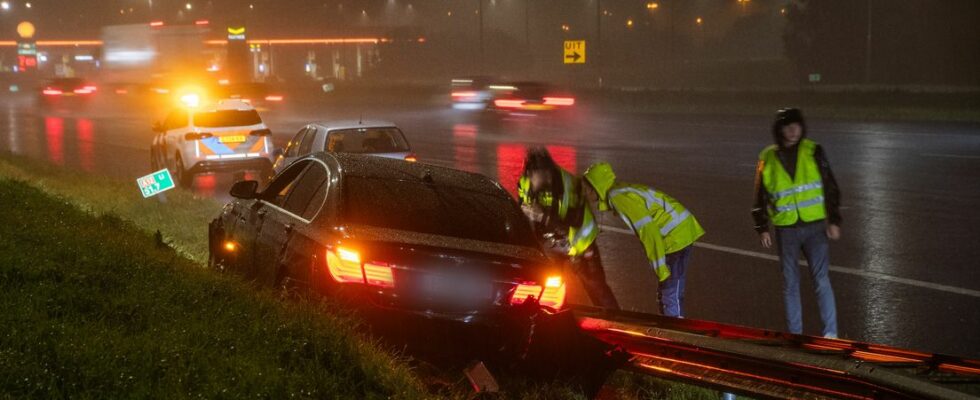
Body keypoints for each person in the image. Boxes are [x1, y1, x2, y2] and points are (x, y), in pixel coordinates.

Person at [752, 108, 841, 338]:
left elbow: (829, 185)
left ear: (802, 127)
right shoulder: (767, 157)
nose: (793, 131)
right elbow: (759, 193)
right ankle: (795, 334)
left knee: (821, 280)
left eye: (796, 125)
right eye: (787, 126)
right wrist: (762, 226)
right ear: (779, 129)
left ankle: (830, 333)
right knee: (790, 284)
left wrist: (834, 219)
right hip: (786, 229)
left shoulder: (814, 151)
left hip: (814, 227)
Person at [582, 162, 705, 317]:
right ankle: (675, 327)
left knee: (669, 294)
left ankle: (676, 333)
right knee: (670, 293)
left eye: (587, 188)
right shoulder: (619, 191)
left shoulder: (617, 197)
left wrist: (660, 269)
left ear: (596, 186)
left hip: (675, 236)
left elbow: (648, 231)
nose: (585, 193)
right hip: (680, 231)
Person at [518, 148, 620, 309]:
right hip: (550, 243)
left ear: (549, 172)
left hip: (580, 243)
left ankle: (615, 321)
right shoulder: (525, 182)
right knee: (546, 288)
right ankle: (552, 321)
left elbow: (571, 225)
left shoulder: (570, 186)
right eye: (531, 177)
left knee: (596, 287)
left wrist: (541, 217)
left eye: (542, 176)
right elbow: (521, 215)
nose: (535, 180)